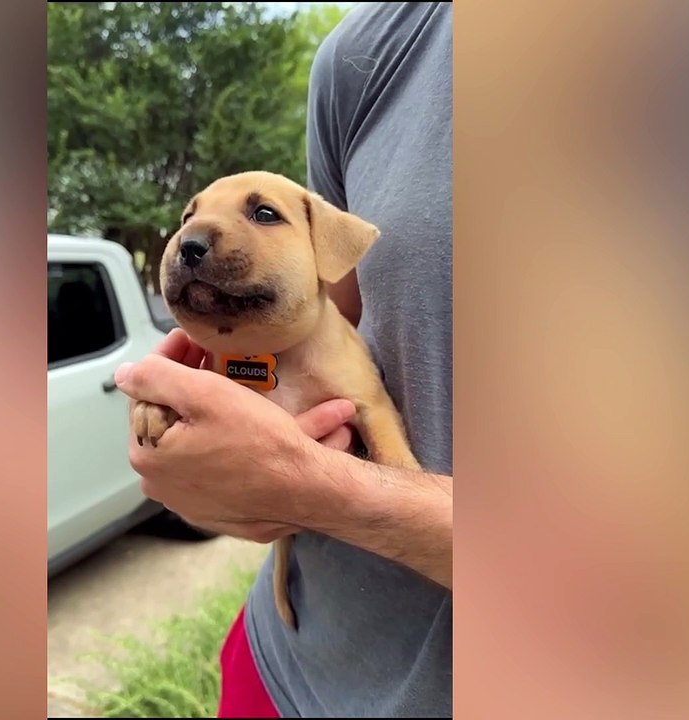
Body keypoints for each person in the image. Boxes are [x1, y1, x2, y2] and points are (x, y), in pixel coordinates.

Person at [112, 3, 454, 717]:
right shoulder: (370, 49)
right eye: (189, 222)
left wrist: (325, 490)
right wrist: (209, 454)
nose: (196, 236)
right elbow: (340, 315)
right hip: (287, 662)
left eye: (261, 214)